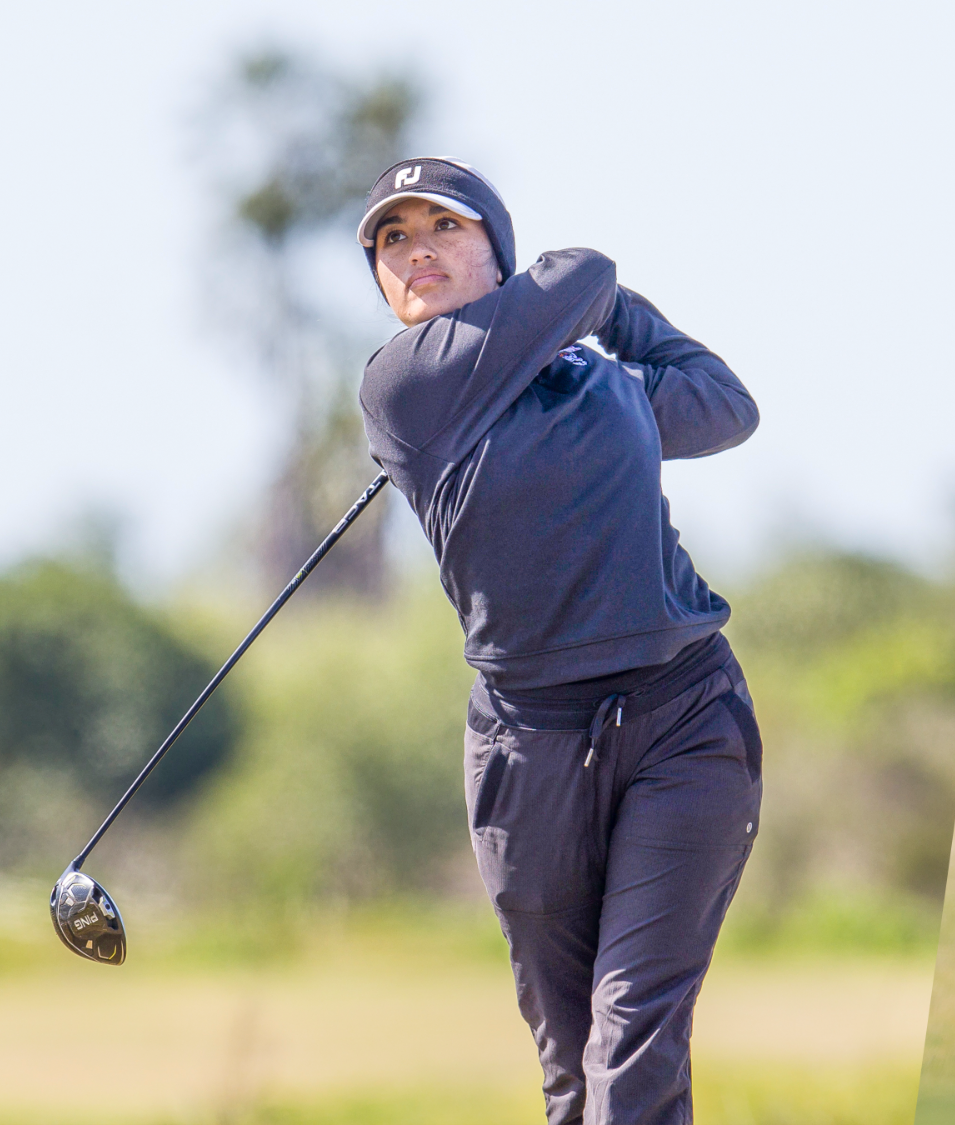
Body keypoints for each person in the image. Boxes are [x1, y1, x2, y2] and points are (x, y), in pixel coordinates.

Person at [354, 157, 762, 1123]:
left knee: (632, 1031)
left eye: (444, 228)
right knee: (572, 1066)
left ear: (495, 247)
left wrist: (604, 328)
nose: (417, 252)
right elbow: (582, 270)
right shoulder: (403, 388)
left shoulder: (602, 389)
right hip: (529, 749)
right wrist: (598, 301)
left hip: (686, 721)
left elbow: (725, 405)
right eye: (392, 240)